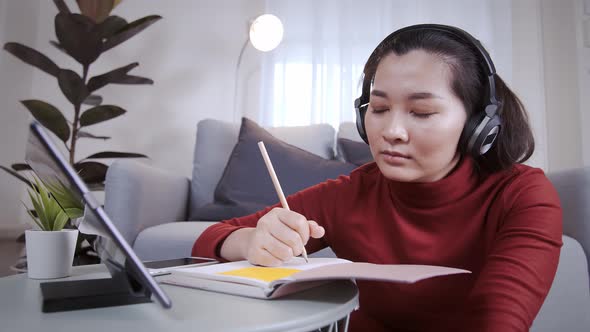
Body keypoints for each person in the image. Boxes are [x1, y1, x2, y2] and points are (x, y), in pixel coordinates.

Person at [193, 24, 562, 332]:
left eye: (421, 111)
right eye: (380, 108)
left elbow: (498, 318)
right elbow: (210, 239)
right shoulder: (353, 192)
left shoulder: (523, 194)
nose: (392, 131)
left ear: (480, 125)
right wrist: (252, 241)